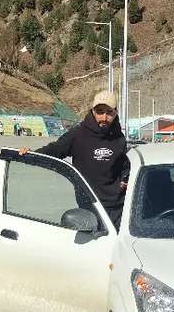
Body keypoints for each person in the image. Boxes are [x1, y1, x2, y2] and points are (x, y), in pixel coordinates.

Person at [19, 90, 129, 230]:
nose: (104, 117)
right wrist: (32, 155)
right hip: (90, 206)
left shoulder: (119, 138)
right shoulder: (78, 135)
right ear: (93, 111)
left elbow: (124, 164)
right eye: (100, 112)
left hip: (117, 207)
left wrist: (125, 180)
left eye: (109, 112)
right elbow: (55, 150)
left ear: (116, 112)